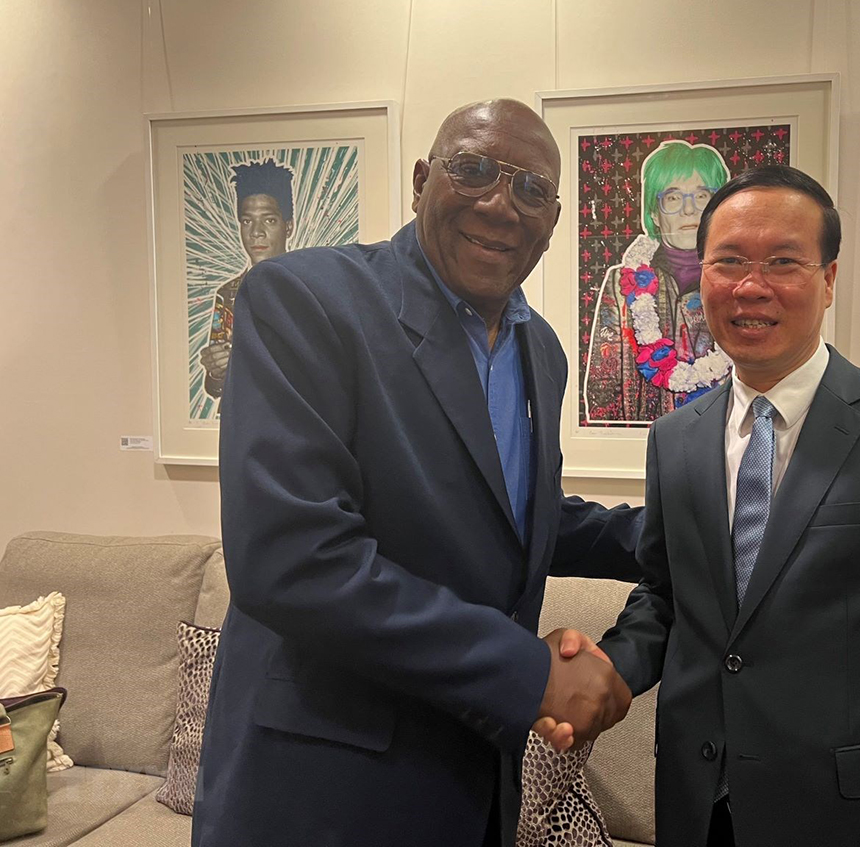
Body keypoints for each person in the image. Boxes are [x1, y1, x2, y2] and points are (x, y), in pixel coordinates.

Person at [192, 99, 641, 847]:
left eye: (532, 189)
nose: (500, 204)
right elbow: (293, 560)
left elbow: (513, 516)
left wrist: (676, 536)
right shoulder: (305, 299)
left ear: (553, 221)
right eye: (474, 169)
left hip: (471, 785)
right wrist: (529, 673)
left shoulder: (543, 352)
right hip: (322, 795)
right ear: (421, 180)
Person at [554, 165, 860, 845]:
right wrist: (612, 668)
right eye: (729, 262)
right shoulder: (677, 438)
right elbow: (668, 593)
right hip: (702, 810)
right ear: (701, 274)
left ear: (828, 279)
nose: (751, 287)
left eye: (782, 262)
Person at [583, 140, 731, 424]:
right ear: (654, 214)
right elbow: (604, 386)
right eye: (673, 198)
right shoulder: (622, 283)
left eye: (702, 196)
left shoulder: (739, 283)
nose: (689, 210)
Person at [199, 158, 295, 400]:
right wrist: (217, 370)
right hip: (244, 414)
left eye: (269, 220)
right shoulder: (227, 294)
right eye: (247, 221)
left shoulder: (310, 290)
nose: (256, 232)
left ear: (288, 227)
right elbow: (213, 389)